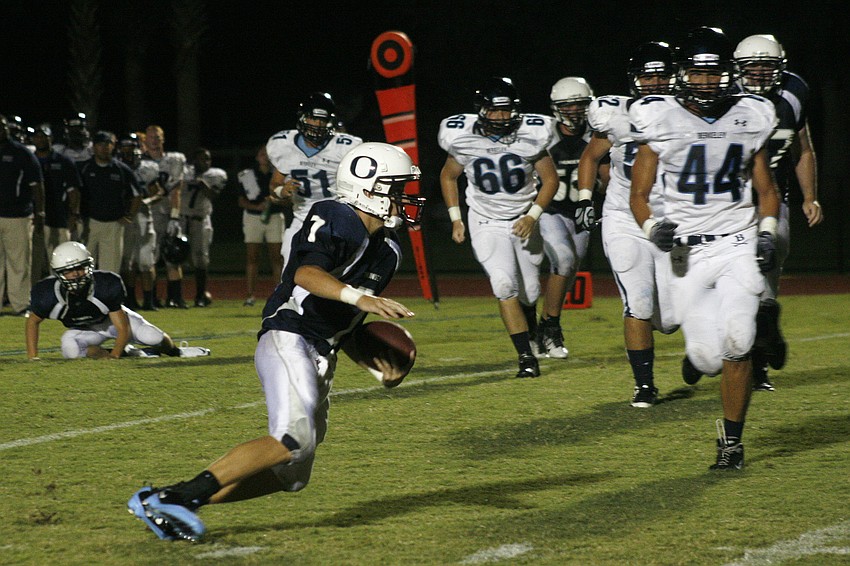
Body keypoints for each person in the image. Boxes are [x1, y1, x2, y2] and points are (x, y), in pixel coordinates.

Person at [127, 142, 424, 541]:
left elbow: (345, 324)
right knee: (291, 438)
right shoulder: (336, 215)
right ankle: (174, 499)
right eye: (397, 187)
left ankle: (172, 498)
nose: (404, 196)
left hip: (322, 352)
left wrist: (377, 363)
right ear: (367, 187)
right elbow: (306, 274)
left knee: (293, 475)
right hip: (290, 335)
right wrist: (361, 298)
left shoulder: (388, 251)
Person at [629, 27, 780, 469]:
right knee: (707, 359)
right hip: (686, 250)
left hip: (737, 242)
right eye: (697, 72)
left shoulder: (751, 115)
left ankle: (731, 445)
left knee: (738, 341)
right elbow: (639, 195)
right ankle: (701, 357)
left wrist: (767, 232)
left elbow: (767, 191)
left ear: (728, 74)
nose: (706, 81)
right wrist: (652, 226)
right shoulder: (660, 118)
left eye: (714, 73)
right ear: (682, 74)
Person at [577, 41, 679, 408]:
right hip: (624, 217)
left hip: (672, 220)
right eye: (646, 76)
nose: (654, 83)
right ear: (634, 79)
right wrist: (585, 198)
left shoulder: (689, 113)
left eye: (661, 75)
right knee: (638, 301)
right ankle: (644, 385)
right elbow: (590, 157)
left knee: (670, 320)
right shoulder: (616, 113)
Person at [439, 77, 558, 378]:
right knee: (504, 284)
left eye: (506, 110)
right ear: (482, 110)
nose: (502, 117)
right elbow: (448, 176)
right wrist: (456, 218)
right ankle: (526, 357)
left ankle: (530, 322)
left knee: (530, 291)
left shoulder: (530, 136)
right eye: (494, 110)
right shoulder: (464, 139)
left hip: (523, 219)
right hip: (486, 221)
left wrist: (532, 215)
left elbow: (551, 180)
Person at [733, 34, 824, 391]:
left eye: (766, 65)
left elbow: (803, 148)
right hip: (727, 203)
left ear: (779, 67)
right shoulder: (725, 96)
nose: (759, 72)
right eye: (752, 65)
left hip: (773, 197)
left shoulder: (794, 92)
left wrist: (810, 196)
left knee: (768, 267)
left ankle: (759, 357)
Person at [26, 241, 210, 360]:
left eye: (80, 268)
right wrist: (33, 357)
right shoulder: (47, 294)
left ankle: (176, 351)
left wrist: (114, 357)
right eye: (69, 270)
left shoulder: (105, 284)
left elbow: (122, 328)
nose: (75, 274)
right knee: (70, 349)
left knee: (152, 337)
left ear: (89, 267)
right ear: (58, 273)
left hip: (112, 322)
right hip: (86, 330)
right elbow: (33, 322)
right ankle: (130, 353)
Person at [536, 76, 602, 360]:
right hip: (550, 211)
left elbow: (606, 177)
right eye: (568, 105)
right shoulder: (544, 134)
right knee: (562, 260)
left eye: (580, 104)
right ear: (556, 107)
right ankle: (551, 328)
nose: (574, 111)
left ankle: (545, 325)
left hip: (580, 213)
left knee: (569, 270)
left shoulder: (598, 134)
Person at [266, 91, 363, 265]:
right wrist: (282, 191)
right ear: (303, 118)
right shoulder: (283, 145)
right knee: (289, 263)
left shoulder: (343, 147)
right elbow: (274, 186)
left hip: (337, 218)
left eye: (322, 120)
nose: (317, 124)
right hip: (302, 218)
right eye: (313, 118)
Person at [77, 131, 142, 273]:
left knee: (110, 270)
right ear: (94, 146)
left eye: (108, 144)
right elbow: (74, 193)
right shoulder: (83, 168)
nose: (104, 148)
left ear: (113, 146)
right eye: (100, 144)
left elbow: (137, 195)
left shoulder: (122, 170)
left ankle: (106, 290)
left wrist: (130, 215)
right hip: (89, 223)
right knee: (83, 268)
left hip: (113, 224)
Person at [0, 114, 45, 316]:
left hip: (17, 215)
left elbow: (37, 185)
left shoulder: (21, 152)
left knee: (19, 263)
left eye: (2, 126)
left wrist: (40, 212)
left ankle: (20, 305)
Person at [142, 124, 188, 308]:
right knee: (149, 259)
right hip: (148, 214)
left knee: (173, 256)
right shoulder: (140, 162)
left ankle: (175, 298)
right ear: (145, 140)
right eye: (151, 137)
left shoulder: (174, 160)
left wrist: (174, 217)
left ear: (163, 139)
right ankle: (152, 299)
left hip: (169, 212)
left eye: (157, 137)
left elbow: (176, 190)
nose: (154, 140)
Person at [31, 123, 82, 282]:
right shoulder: (29, 159)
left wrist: (73, 214)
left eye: (44, 136)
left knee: (60, 263)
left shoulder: (63, 161)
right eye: (37, 136)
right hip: (32, 219)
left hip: (59, 218)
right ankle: (34, 294)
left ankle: (62, 293)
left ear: (51, 138)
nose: (40, 140)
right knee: (33, 262)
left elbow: (74, 190)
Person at [180, 148, 227, 307]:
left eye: (208, 159)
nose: (206, 162)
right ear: (194, 161)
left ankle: (200, 295)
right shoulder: (184, 172)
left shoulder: (215, 175)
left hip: (200, 220)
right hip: (181, 219)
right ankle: (175, 296)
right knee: (175, 258)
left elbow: (213, 195)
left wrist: (201, 183)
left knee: (201, 259)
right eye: (202, 159)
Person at [237, 144, 284, 306]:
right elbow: (241, 200)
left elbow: (286, 198)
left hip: (275, 216)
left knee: (276, 257)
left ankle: (279, 294)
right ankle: (250, 295)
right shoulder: (247, 175)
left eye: (268, 154)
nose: (265, 156)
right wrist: (257, 207)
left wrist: (275, 200)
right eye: (262, 154)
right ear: (257, 157)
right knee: (252, 256)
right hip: (253, 217)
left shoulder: (278, 174)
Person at [117, 133, 159, 311]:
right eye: (124, 150)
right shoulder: (117, 167)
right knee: (128, 262)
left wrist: (148, 200)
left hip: (143, 216)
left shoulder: (148, 168)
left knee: (146, 262)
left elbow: (157, 191)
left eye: (130, 149)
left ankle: (149, 300)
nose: (127, 154)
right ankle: (131, 299)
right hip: (125, 216)